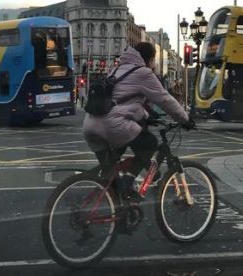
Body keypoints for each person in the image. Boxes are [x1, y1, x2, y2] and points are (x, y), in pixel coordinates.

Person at [83, 42, 195, 199]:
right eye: (153, 60)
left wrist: (148, 117)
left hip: (90, 125)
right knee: (149, 143)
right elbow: (164, 99)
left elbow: (124, 101)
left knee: (110, 177)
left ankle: (116, 215)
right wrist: (185, 118)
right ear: (149, 59)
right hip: (112, 124)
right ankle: (128, 182)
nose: (154, 64)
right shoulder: (143, 73)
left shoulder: (117, 69)